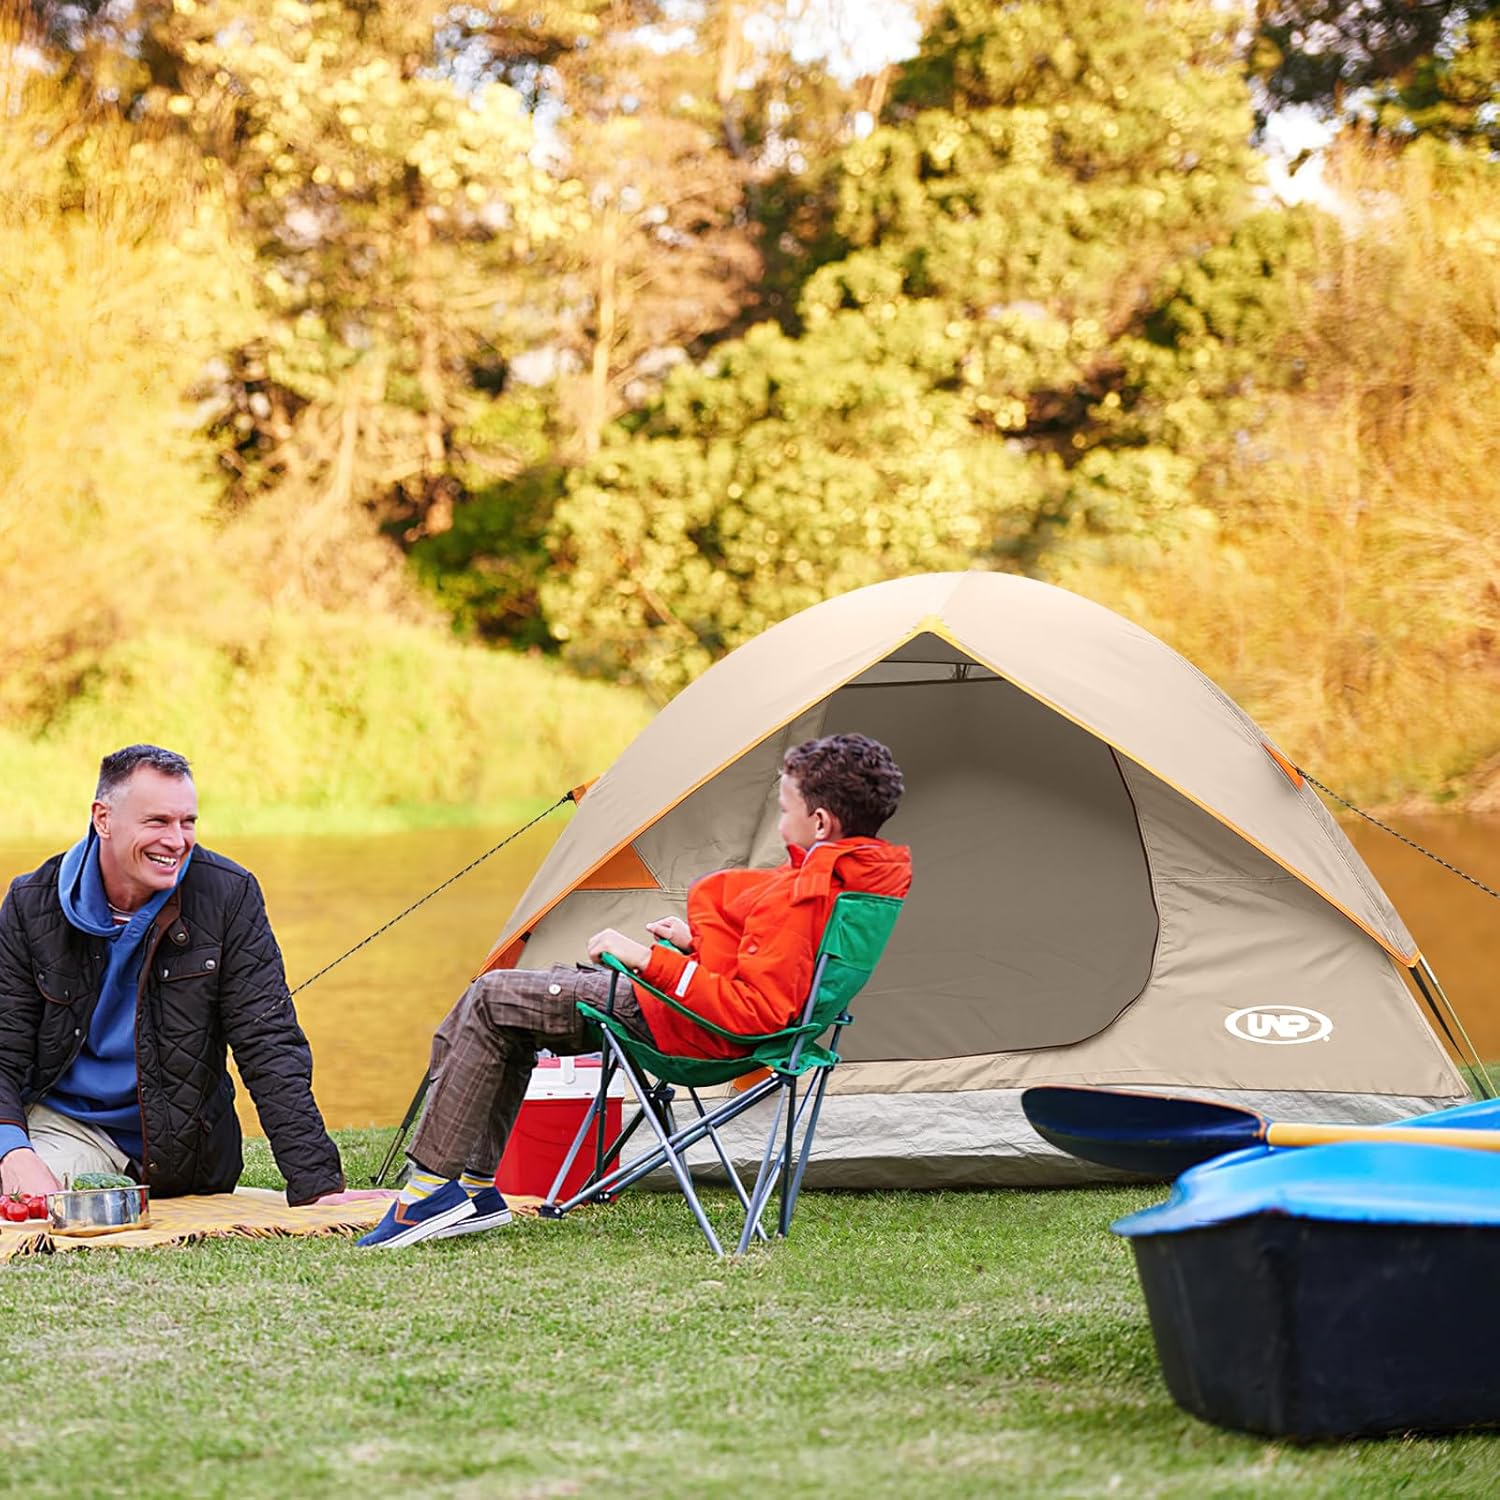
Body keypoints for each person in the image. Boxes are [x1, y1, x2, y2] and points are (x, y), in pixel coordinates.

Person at [358, 732, 912, 1249]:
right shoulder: (854, 883)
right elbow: (779, 973)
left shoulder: (804, 896)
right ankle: (475, 1191)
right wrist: (695, 942)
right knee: (509, 1009)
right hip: (696, 1022)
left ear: (818, 821)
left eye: (785, 805)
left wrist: (648, 962)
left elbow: (753, 1010)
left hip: (684, 1030)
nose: (779, 814)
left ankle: (428, 1194)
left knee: (490, 997)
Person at [0, 744, 379, 1208]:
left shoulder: (228, 894)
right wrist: (12, 1148)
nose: (177, 840)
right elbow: (4, 1049)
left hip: (180, 1147)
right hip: (60, 1121)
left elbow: (269, 1044)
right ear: (103, 819)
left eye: (188, 822)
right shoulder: (31, 902)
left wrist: (317, 1184)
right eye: (157, 822)